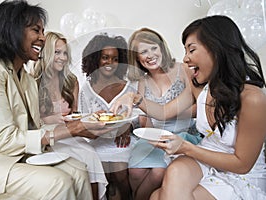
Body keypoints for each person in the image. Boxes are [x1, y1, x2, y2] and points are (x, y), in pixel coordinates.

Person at [0, 1, 111, 199]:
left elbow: (35, 129)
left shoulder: (24, 77)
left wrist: (83, 125)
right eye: (36, 30)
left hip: (17, 156)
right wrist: (74, 128)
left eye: (43, 31)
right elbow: (4, 140)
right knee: (58, 183)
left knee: (79, 171)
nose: (42, 38)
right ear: (12, 30)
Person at [111, 15, 266, 199]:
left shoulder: (253, 98)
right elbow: (163, 112)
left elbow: (242, 164)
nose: (185, 58)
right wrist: (133, 97)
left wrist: (185, 147)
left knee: (157, 196)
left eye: (191, 50)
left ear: (216, 49)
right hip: (205, 155)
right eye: (185, 51)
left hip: (237, 173)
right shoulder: (205, 89)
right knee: (169, 177)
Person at [126, 27, 202, 200]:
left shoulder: (183, 69)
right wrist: (151, 133)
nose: (150, 54)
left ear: (162, 48)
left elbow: (201, 107)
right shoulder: (142, 81)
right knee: (135, 171)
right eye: (143, 51)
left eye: (154, 48)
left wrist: (170, 115)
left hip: (183, 133)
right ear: (136, 57)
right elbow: (145, 117)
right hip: (154, 134)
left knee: (158, 172)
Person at [33, 31, 108, 200]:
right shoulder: (34, 81)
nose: (63, 58)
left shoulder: (70, 80)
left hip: (68, 130)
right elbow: (31, 120)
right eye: (57, 52)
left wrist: (91, 117)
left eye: (65, 53)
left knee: (91, 154)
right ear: (46, 53)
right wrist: (52, 119)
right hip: (47, 135)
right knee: (85, 157)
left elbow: (74, 115)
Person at [79, 33, 137, 199]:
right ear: (96, 58)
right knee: (103, 172)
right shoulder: (87, 89)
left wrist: (128, 127)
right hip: (97, 140)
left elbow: (139, 118)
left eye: (115, 59)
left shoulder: (129, 87)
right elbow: (84, 119)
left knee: (119, 173)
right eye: (105, 57)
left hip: (122, 141)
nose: (110, 63)